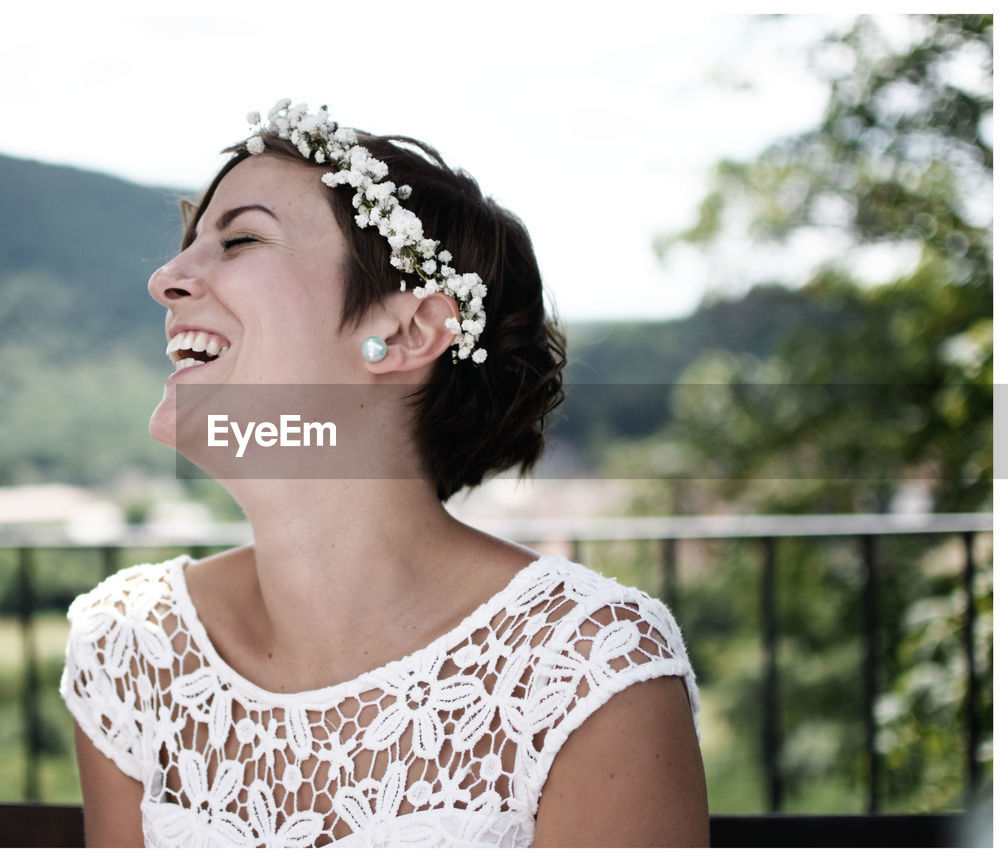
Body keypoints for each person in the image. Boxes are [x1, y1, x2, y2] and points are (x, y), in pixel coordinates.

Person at [60, 100, 708, 847]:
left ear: (406, 332)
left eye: (239, 239)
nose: (166, 280)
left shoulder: (585, 669)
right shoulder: (132, 649)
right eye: (187, 245)